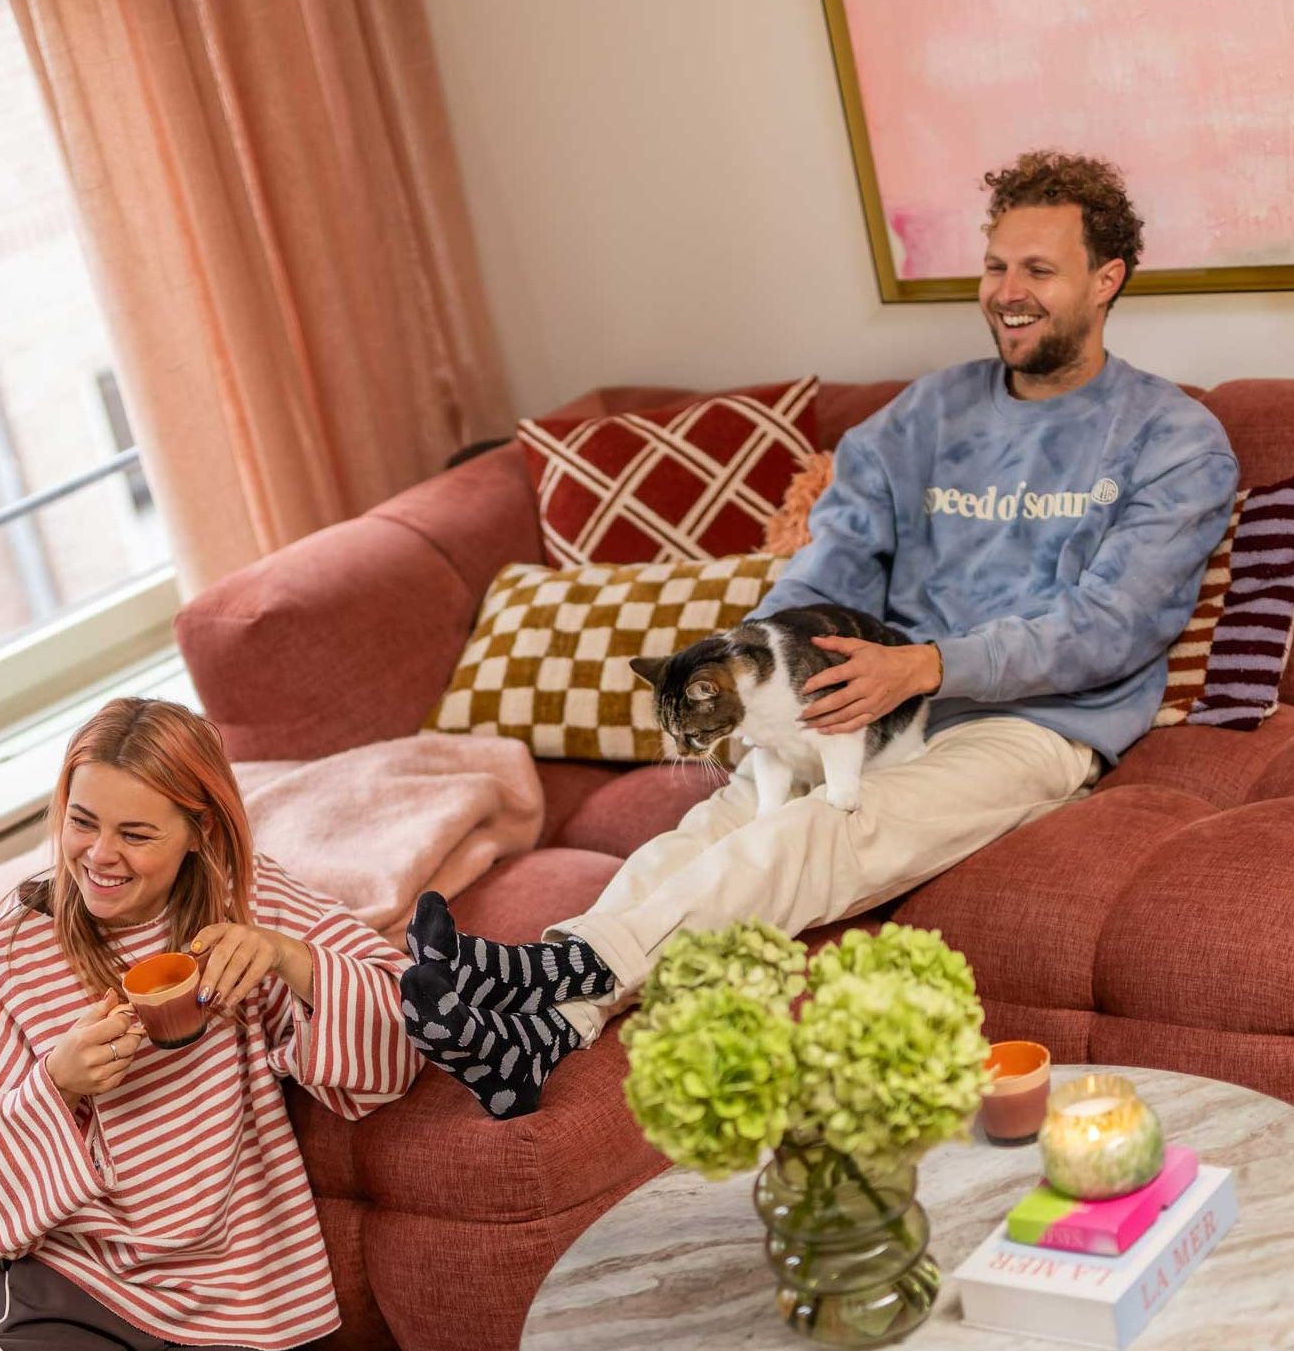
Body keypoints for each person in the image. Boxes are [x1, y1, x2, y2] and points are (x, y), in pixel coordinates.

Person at [400, 149, 1240, 1120]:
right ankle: (544, 1031)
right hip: (865, 690)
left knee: (829, 828)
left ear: (1105, 282)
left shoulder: (1169, 439)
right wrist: (766, 656)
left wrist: (921, 666)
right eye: (994, 266)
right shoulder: (929, 411)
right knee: (721, 818)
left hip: (1035, 724)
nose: (1005, 294)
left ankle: (553, 970)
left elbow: (1108, 630)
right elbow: (834, 551)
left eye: (1036, 272)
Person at [0, 697, 420, 1351]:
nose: (99, 855)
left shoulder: (248, 902)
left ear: (199, 831)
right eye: (82, 821)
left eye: (136, 834)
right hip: (36, 1293)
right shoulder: (2, 957)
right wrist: (55, 1086)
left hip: (189, 1306)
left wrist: (291, 960)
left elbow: (404, 1029)